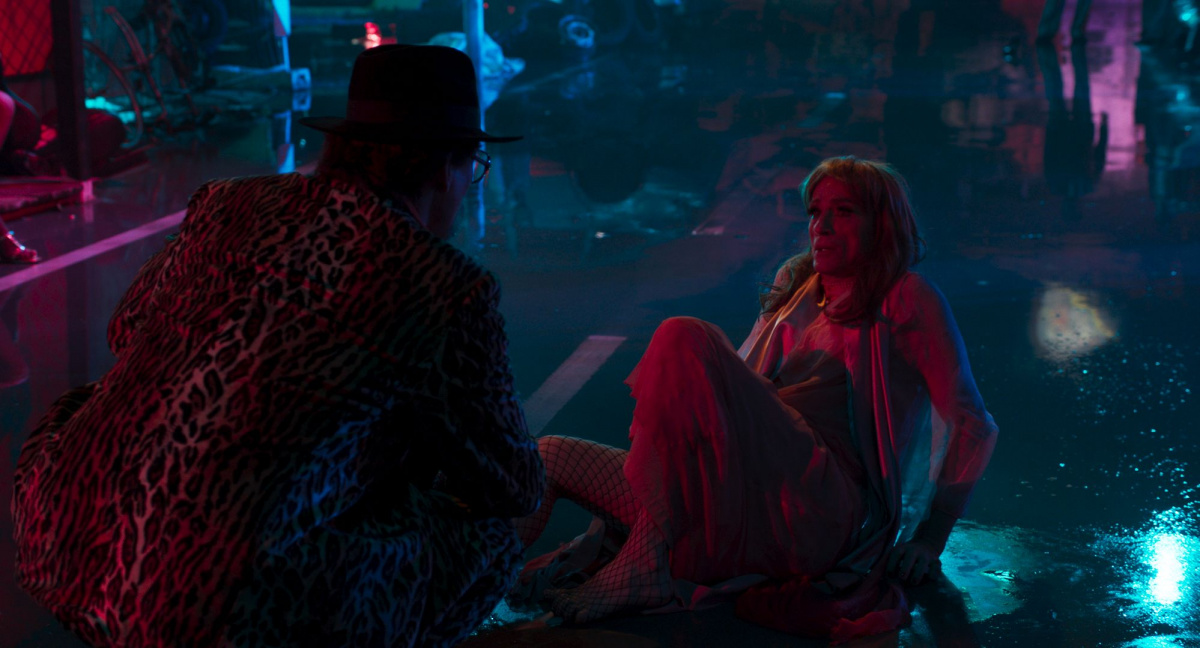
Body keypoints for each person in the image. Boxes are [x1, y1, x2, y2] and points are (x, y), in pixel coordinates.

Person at [12, 44, 545, 647]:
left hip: (66, 547)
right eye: (474, 167)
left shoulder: (225, 202)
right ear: (448, 167)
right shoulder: (443, 284)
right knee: (489, 539)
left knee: (96, 400)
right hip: (209, 611)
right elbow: (514, 485)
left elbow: (125, 330)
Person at [514, 156, 998, 640]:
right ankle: (477, 585)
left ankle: (644, 563)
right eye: (815, 211)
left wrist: (931, 538)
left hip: (822, 513)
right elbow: (733, 397)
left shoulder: (906, 296)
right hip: (748, 496)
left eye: (845, 211)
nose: (822, 225)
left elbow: (972, 422)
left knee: (686, 337)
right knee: (548, 458)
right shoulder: (796, 283)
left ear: (882, 223)